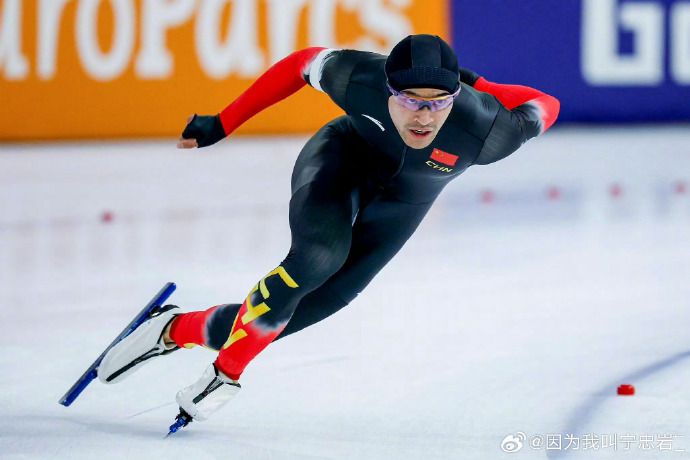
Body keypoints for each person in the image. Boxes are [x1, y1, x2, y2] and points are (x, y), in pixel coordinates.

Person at [97, 34, 560, 425]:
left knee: (291, 315)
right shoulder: (358, 76)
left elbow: (547, 103)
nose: (423, 116)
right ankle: (225, 376)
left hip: (404, 203)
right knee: (318, 258)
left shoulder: (489, 129)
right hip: (341, 161)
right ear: (386, 89)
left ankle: (172, 329)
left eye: (438, 103)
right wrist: (223, 121)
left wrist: (479, 86)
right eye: (408, 100)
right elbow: (300, 64)